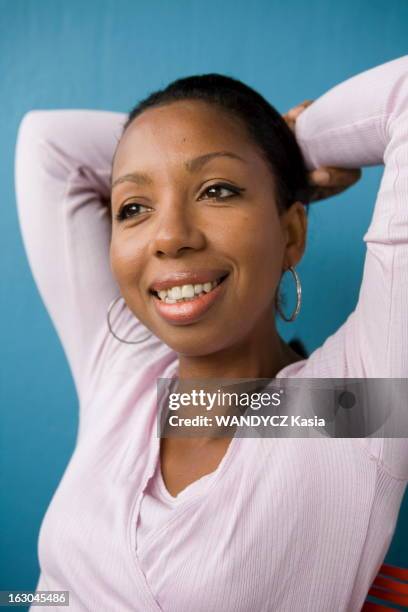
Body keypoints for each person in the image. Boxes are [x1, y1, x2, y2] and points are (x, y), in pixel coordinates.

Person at [15, 56, 408, 611]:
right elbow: (46, 144)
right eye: (133, 207)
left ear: (291, 232)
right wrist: (265, 152)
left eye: (218, 190)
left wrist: (288, 149)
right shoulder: (125, 379)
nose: (169, 237)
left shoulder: (347, 410)